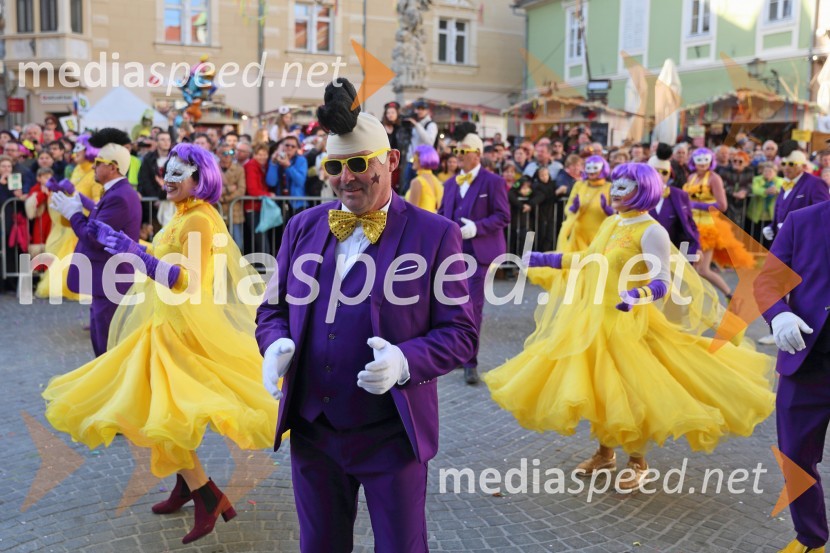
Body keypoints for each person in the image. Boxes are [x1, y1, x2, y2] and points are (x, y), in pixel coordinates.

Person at [255, 79, 477, 552]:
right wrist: (274, 344)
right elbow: (271, 307)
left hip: (391, 435)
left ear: (391, 161)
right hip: (313, 431)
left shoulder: (436, 235)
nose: (346, 177)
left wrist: (404, 361)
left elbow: (461, 333)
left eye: (359, 164)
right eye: (335, 166)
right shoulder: (301, 227)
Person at [485, 163, 775, 490]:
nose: (616, 192)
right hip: (594, 320)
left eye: (625, 187)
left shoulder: (653, 231)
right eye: (616, 185)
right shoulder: (612, 222)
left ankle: (638, 462)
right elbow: (587, 259)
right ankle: (605, 453)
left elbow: (662, 281)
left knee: (631, 391)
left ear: (644, 190)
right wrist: (544, 259)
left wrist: (637, 295)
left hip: (630, 324)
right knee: (599, 389)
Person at [43, 143, 278, 544]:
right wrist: (129, 243)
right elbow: (164, 256)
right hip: (162, 322)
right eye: (166, 171)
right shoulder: (182, 214)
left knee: (161, 413)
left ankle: (207, 493)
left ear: (199, 179)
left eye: (177, 173)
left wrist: (135, 252)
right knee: (151, 409)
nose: (167, 179)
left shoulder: (201, 220)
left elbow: (187, 279)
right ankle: (188, 486)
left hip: (180, 331)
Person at [753, 200, 830, 553]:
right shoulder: (802, 221)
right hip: (807, 362)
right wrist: (778, 314)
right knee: (795, 457)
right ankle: (810, 540)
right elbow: (767, 281)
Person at [49, 129, 142, 356]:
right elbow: (99, 219)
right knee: (102, 341)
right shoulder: (117, 192)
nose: (93, 166)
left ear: (112, 167)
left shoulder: (119, 195)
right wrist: (79, 202)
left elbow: (94, 236)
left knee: (106, 346)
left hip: (110, 279)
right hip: (105, 279)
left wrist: (74, 214)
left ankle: (110, 390)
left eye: (98, 162)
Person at [438, 131, 510, 384]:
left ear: (477, 154)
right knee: (452, 306)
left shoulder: (493, 182)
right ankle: (458, 354)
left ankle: (471, 362)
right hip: (453, 256)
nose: (458, 157)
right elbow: (441, 214)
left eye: (463, 152)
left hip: (479, 255)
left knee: (473, 307)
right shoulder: (449, 184)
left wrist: (477, 228)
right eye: (456, 152)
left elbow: (503, 215)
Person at [35, 135, 104, 301]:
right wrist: (58, 188)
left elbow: (97, 203)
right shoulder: (77, 169)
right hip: (73, 220)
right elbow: (72, 193)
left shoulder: (95, 173)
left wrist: (73, 191)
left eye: (78, 148)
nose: (74, 152)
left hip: (86, 222)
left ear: (89, 150)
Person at [682, 147, 754, 298]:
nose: (702, 164)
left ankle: (728, 295)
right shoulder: (692, 177)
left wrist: (697, 205)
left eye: (705, 160)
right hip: (691, 225)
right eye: (699, 160)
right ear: (693, 161)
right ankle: (695, 300)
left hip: (708, 227)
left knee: (701, 269)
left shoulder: (714, 178)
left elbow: (722, 205)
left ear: (711, 161)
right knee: (694, 268)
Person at [763, 150, 830, 243]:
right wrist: (772, 226)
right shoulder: (786, 183)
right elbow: (781, 209)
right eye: (783, 164)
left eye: (791, 164)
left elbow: (822, 213)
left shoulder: (815, 183)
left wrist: (794, 224)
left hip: (804, 241)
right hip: (783, 240)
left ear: (801, 166)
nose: (786, 168)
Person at [647, 145, 699, 257]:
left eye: (664, 172)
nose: (659, 176)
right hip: (641, 255)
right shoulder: (637, 194)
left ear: (670, 174)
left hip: (670, 255)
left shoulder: (679, 196)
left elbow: (689, 225)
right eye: (655, 171)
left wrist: (694, 249)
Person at [556, 155, 613, 253]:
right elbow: (567, 208)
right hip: (579, 234)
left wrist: (607, 209)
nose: (592, 171)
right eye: (589, 168)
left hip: (600, 234)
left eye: (595, 168)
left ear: (602, 168)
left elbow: (616, 213)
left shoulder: (609, 187)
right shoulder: (579, 185)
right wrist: (574, 207)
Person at [218, 143, 246, 249]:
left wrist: (224, 198)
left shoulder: (239, 169)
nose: (228, 155)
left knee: (237, 244)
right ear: (218, 154)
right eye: (225, 153)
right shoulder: (214, 168)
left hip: (234, 211)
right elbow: (212, 189)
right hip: (218, 212)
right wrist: (229, 189)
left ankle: (237, 265)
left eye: (231, 152)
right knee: (218, 245)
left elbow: (241, 190)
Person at [404, 144, 443, 213]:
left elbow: (411, 213)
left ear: (422, 159)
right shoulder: (435, 180)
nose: (412, 161)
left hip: (419, 222)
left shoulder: (417, 182)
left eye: (414, 158)